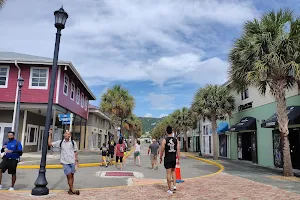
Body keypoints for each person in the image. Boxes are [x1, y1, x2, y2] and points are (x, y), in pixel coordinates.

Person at [48, 129, 80, 195]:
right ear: (64, 135)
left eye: (68, 133)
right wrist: (50, 134)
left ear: (70, 135)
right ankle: (73, 190)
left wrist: (76, 161)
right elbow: (49, 144)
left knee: (72, 176)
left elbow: (75, 152)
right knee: (69, 176)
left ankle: (70, 189)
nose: (67, 134)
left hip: (72, 162)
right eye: (66, 133)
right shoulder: (60, 142)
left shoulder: (73, 142)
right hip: (65, 162)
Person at [160, 126, 180, 195]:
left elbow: (162, 150)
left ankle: (169, 189)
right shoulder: (176, 140)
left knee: (168, 173)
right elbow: (178, 150)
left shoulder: (164, 140)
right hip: (173, 158)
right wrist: (178, 159)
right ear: (172, 131)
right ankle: (174, 186)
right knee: (173, 171)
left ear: (166, 132)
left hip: (167, 158)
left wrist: (160, 157)